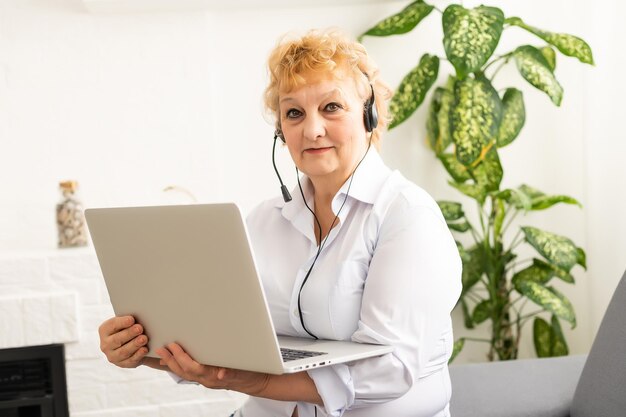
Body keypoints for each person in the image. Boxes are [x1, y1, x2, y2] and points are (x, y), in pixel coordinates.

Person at [98, 28, 462, 417]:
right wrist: (147, 347)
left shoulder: (407, 216)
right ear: (280, 132)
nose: (312, 129)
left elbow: (391, 369)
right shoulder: (263, 221)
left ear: (369, 114)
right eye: (294, 113)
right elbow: (224, 340)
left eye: (331, 107)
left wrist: (254, 382)